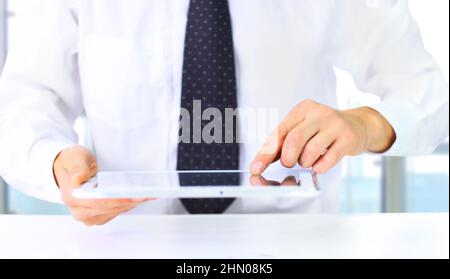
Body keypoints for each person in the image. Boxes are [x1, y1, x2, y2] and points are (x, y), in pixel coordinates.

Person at [0, 0, 448, 225]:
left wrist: (367, 124)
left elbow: (430, 92)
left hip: (291, 245)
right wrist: (54, 163)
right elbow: (24, 101)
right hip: (127, 241)